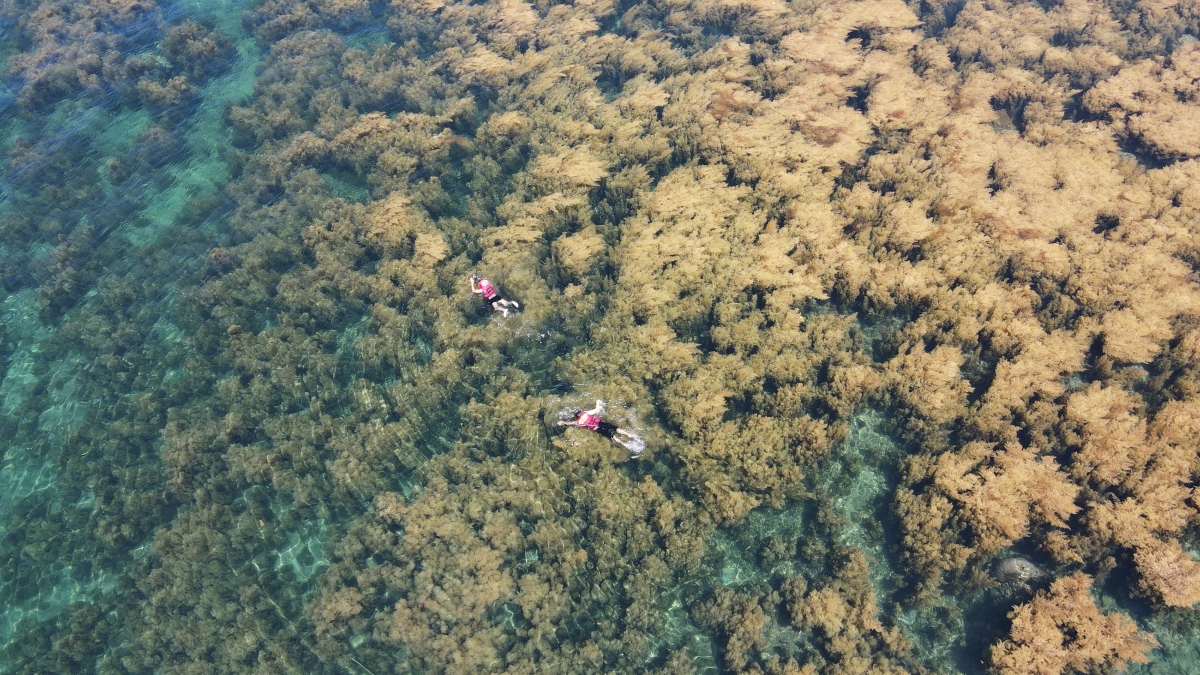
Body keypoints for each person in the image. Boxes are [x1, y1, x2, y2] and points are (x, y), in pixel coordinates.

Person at [557, 400, 641, 455]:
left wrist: (562, 422)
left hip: (597, 429)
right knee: (616, 429)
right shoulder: (586, 413)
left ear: (576, 416)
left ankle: (624, 444)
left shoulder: (578, 422)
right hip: (601, 423)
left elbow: (569, 423)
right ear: (581, 412)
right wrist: (597, 401)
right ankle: (629, 434)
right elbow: (597, 409)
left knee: (612, 437)